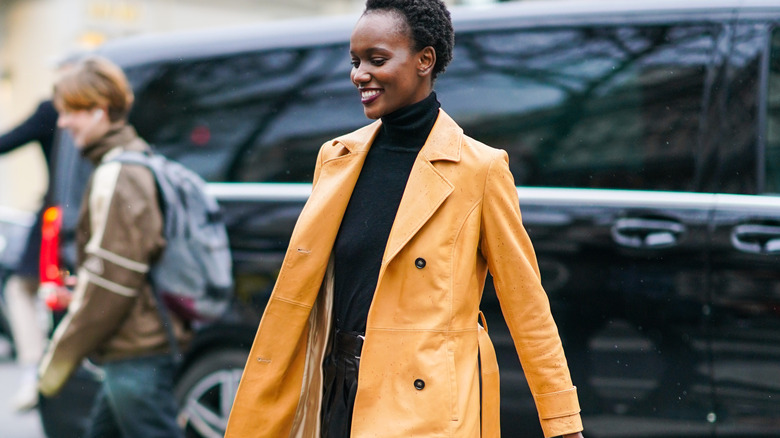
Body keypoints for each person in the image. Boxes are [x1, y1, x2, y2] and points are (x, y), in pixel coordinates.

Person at [225, 0, 585, 437]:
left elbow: (527, 306)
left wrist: (562, 422)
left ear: (424, 60)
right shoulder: (336, 157)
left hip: (422, 409)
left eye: (377, 60)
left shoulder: (480, 169)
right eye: (356, 61)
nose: (359, 74)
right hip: (335, 392)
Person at [36, 56, 188, 438]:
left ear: (100, 111)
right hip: (135, 346)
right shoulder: (135, 160)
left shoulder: (118, 173)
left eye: (71, 112)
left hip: (136, 350)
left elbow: (113, 282)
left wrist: (56, 363)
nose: (62, 122)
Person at [0, 97, 58, 411]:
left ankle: (31, 373)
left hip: (56, 217)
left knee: (20, 288)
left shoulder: (54, 109)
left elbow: (6, 142)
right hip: (83, 214)